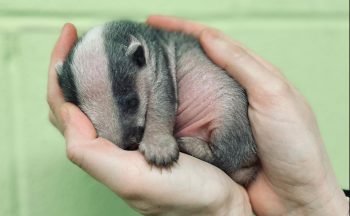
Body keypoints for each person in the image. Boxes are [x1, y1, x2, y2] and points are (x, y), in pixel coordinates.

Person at [47, 15, 349, 216]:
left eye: (128, 103)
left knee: (226, 101)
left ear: (139, 57)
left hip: (223, 128)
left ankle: (227, 159)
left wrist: (157, 134)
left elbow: (165, 97)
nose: (123, 138)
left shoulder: (154, 57)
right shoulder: (134, 56)